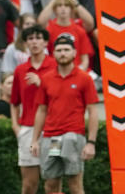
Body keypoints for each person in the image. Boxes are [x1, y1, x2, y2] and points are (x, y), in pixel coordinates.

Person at [30, 34, 100, 194]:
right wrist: (34, 140)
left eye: (66, 50)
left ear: (75, 53)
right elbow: (41, 110)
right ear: (53, 54)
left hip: (73, 136)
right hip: (51, 138)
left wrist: (91, 142)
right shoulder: (46, 79)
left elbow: (93, 110)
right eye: (59, 50)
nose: (63, 53)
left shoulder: (85, 78)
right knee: (50, 185)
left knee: (75, 184)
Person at [10, 24, 56, 194]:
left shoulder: (55, 66)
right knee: (29, 184)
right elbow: (14, 102)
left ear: (45, 42)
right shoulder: (20, 70)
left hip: (54, 130)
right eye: (30, 38)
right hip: (27, 129)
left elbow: (61, 98)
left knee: (53, 182)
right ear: (26, 44)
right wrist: (15, 125)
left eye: (38, 38)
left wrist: (41, 83)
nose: (34, 42)